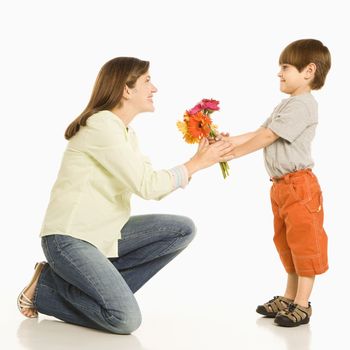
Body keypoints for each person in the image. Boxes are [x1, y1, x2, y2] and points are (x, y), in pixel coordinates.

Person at [17, 57, 235, 334]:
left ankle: (86, 289)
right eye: (147, 81)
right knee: (124, 319)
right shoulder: (101, 125)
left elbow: (153, 184)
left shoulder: (126, 133)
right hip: (69, 239)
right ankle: (45, 290)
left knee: (181, 229)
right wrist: (197, 163)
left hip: (102, 234)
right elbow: (147, 185)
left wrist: (203, 156)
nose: (154, 88)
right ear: (126, 90)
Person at [216, 39, 331, 327]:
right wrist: (227, 142)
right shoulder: (287, 104)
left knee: (305, 244)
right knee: (286, 243)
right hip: (281, 187)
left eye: (285, 67)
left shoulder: (303, 106)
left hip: (300, 186)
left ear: (308, 71)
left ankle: (302, 305)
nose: (279, 73)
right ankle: (289, 297)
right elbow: (261, 131)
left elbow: (267, 138)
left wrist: (236, 153)